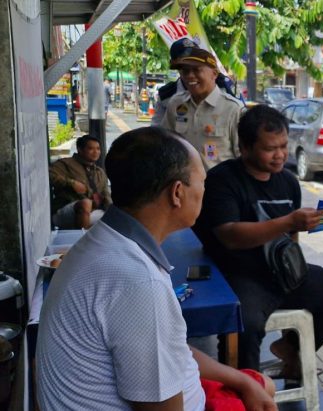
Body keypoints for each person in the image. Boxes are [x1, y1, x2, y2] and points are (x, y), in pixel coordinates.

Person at [37, 127, 277, 411]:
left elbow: (169, 351)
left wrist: (241, 381)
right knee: (263, 394)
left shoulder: (105, 242)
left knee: (259, 383)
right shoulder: (137, 279)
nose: (204, 190)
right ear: (177, 193)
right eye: (201, 182)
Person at [192, 105, 323, 377]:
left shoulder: (287, 181)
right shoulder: (222, 180)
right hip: (242, 276)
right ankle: (245, 392)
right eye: (270, 148)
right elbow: (230, 235)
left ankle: (290, 347)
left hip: (282, 272)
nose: (280, 154)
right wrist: (288, 222)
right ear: (245, 148)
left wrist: (296, 256)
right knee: (244, 327)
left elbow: (291, 238)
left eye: (284, 146)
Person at [160, 42, 244, 169]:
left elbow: (243, 156)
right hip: (183, 185)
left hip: (219, 186)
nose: (190, 76)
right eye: (185, 71)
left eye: (197, 70)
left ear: (214, 74)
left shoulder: (233, 109)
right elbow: (165, 144)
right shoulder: (176, 103)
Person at [152, 38, 239, 127]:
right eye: (185, 66)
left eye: (197, 68)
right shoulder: (168, 96)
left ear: (214, 74)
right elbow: (158, 133)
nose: (190, 75)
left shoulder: (222, 85)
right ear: (174, 64)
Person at [49, 135, 112, 229]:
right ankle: (82, 239)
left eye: (98, 149)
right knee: (86, 203)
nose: (96, 152)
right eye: (91, 148)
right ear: (80, 149)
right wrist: (71, 183)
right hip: (67, 209)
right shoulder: (65, 164)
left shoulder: (99, 172)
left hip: (94, 210)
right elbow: (49, 175)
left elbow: (105, 193)